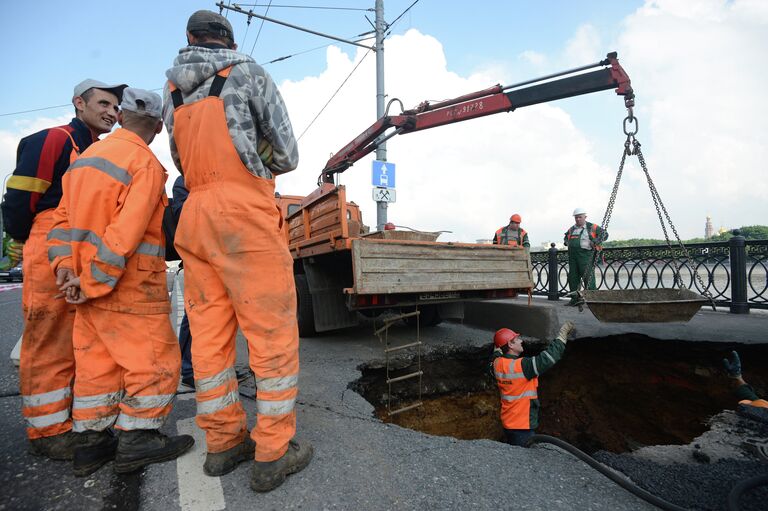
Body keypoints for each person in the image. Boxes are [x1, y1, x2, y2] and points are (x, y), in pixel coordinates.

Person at [163, 10, 310, 491]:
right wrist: (257, 158)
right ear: (229, 40)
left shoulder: (173, 91)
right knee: (271, 336)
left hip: (196, 216)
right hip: (242, 212)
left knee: (207, 339)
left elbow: (181, 162)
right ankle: (273, 451)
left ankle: (224, 444)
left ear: (190, 40)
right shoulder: (248, 73)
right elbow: (287, 154)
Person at [49, 88, 194, 476]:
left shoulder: (84, 160)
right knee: (154, 362)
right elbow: (125, 233)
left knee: (97, 368)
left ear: (122, 116)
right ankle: (138, 439)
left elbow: (60, 222)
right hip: (125, 287)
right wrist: (95, 280)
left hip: (83, 285)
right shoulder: (143, 164)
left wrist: (66, 269)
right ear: (160, 126)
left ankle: (90, 445)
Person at [1, 79, 126, 460]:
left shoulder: (98, 149)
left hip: (85, 246)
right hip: (50, 241)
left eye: (117, 108)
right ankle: (47, 431)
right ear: (79, 103)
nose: (112, 112)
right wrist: (18, 238)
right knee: (49, 339)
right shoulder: (54, 139)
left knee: (82, 339)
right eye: (104, 103)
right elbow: (21, 196)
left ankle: (74, 419)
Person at [490, 321, 575, 446]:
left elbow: (494, 358)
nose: (521, 341)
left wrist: (497, 350)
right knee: (524, 459)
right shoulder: (523, 366)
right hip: (522, 426)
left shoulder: (497, 364)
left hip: (509, 422)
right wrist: (562, 336)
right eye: (517, 339)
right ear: (510, 344)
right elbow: (548, 358)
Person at [170, 175, 194, 388]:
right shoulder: (184, 180)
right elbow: (181, 213)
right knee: (195, 312)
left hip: (228, 253)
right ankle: (188, 369)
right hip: (198, 256)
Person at [563, 208, 607, 305]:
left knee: (588, 278)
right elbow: (566, 237)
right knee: (573, 278)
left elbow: (605, 234)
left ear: (585, 217)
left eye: (580, 217)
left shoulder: (592, 227)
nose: (578, 219)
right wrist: (567, 242)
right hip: (573, 257)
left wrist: (595, 241)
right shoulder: (572, 229)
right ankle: (575, 299)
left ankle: (592, 300)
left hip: (586, 256)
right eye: (576, 217)